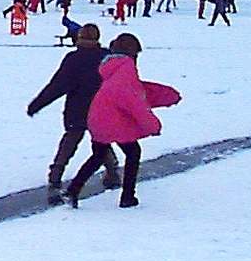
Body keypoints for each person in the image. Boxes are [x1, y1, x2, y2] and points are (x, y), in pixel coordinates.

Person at [63, 33, 180, 209]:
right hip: (113, 120)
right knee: (133, 153)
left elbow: (135, 89)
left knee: (98, 155)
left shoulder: (111, 66)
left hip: (96, 116)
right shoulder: (126, 68)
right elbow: (131, 99)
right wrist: (152, 124)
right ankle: (127, 197)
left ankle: (73, 190)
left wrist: (165, 94)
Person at [27, 24, 122, 204]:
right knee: (102, 142)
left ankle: (55, 178)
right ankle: (112, 173)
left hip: (77, 110)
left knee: (69, 144)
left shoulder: (73, 59)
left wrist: (37, 104)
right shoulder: (106, 57)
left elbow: (57, 85)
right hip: (101, 109)